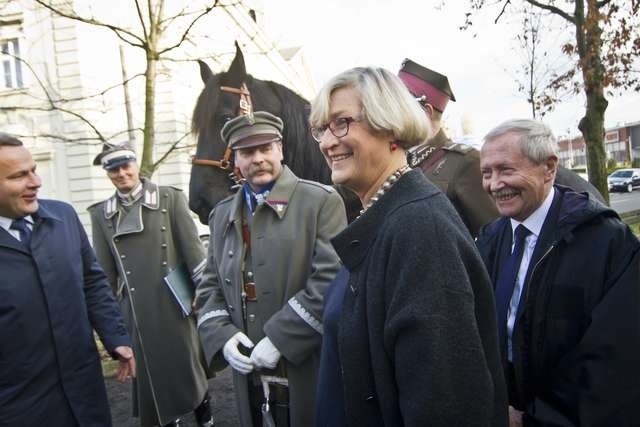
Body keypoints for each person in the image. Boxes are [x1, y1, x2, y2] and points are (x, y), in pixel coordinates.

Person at [309, 67, 507, 426]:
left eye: (341, 123)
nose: (327, 141)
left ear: (391, 127)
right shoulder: (388, 216)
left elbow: (446, 403)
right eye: (322, 128)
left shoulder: (420, 228)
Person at [476, 119, 640, 426]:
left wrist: (533, 421)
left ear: (549, 168)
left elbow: (614, 361)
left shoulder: (607, 243)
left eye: (506, 170)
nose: (494, 184)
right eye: (487, 173)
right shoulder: (488, 241)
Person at [194, 111, 346, 427]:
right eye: (248, 152)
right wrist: (222, 336)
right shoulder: (222, 215)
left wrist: (280, 338)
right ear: (236, 160)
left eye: (266, 149)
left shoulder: (319, 202)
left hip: (306, 361)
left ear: (280, 150)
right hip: (247, 363)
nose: (258, 159)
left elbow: (330, 279)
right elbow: (210, 284)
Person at [0, 133, 135, 426]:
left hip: (85, 396)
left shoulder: (63, 216)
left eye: (34, 169)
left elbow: (92, 282)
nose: (35, 182)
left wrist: (116, 337)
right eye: (19, 176)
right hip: (19, 408)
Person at [88, 143, 213, 427]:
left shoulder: (169, 198)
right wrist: (111, 326)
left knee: (188, 369)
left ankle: (206, 419)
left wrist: (203, 295)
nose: (121, 174)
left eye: (125, 166)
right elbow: (105, 275)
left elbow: (194, 251)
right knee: (151, 377)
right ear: (108, 175)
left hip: (176, 301)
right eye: (113, 170)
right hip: (135, 309)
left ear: (135, 166)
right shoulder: (101, 214)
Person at [398, 58, 498, 237]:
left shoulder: (465, 161)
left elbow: (494, 237)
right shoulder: (399, 161)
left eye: (399, 107)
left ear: (426, 112)